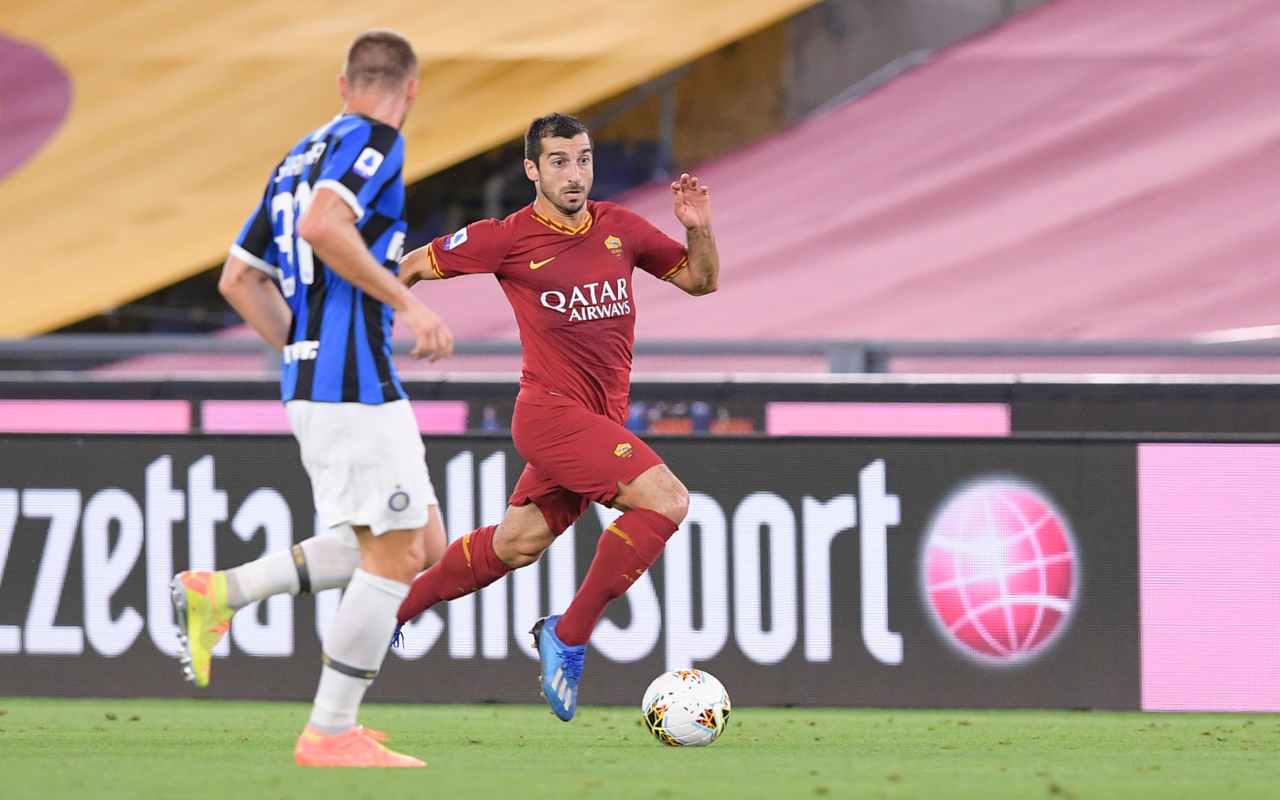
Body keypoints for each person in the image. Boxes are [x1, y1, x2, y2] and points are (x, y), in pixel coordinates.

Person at [170, 29, 453, 767]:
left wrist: (302, 351)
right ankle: (330, 730)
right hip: (351, 379)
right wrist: (408, 304)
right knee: (394, 552)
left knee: (424, 544)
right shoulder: (377, 140)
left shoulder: (299, 154)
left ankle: (220, 592)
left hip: (333, 377)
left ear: (343, 83)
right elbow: (323, 225)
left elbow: (239, 279)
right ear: (412, 88)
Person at [395, 112, 719, 721]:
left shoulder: (621, 227)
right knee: (667, 500)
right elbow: (411, 265)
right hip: (549, 415)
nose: (575, 175)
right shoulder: (507, 238)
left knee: (517, 543)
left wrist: (698, 229)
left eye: (584, 160)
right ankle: (567, 635)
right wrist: (392, 320)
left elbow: (701, 281)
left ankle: (388, 614)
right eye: (560, 162)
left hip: (599, 422)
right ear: (532, 170)